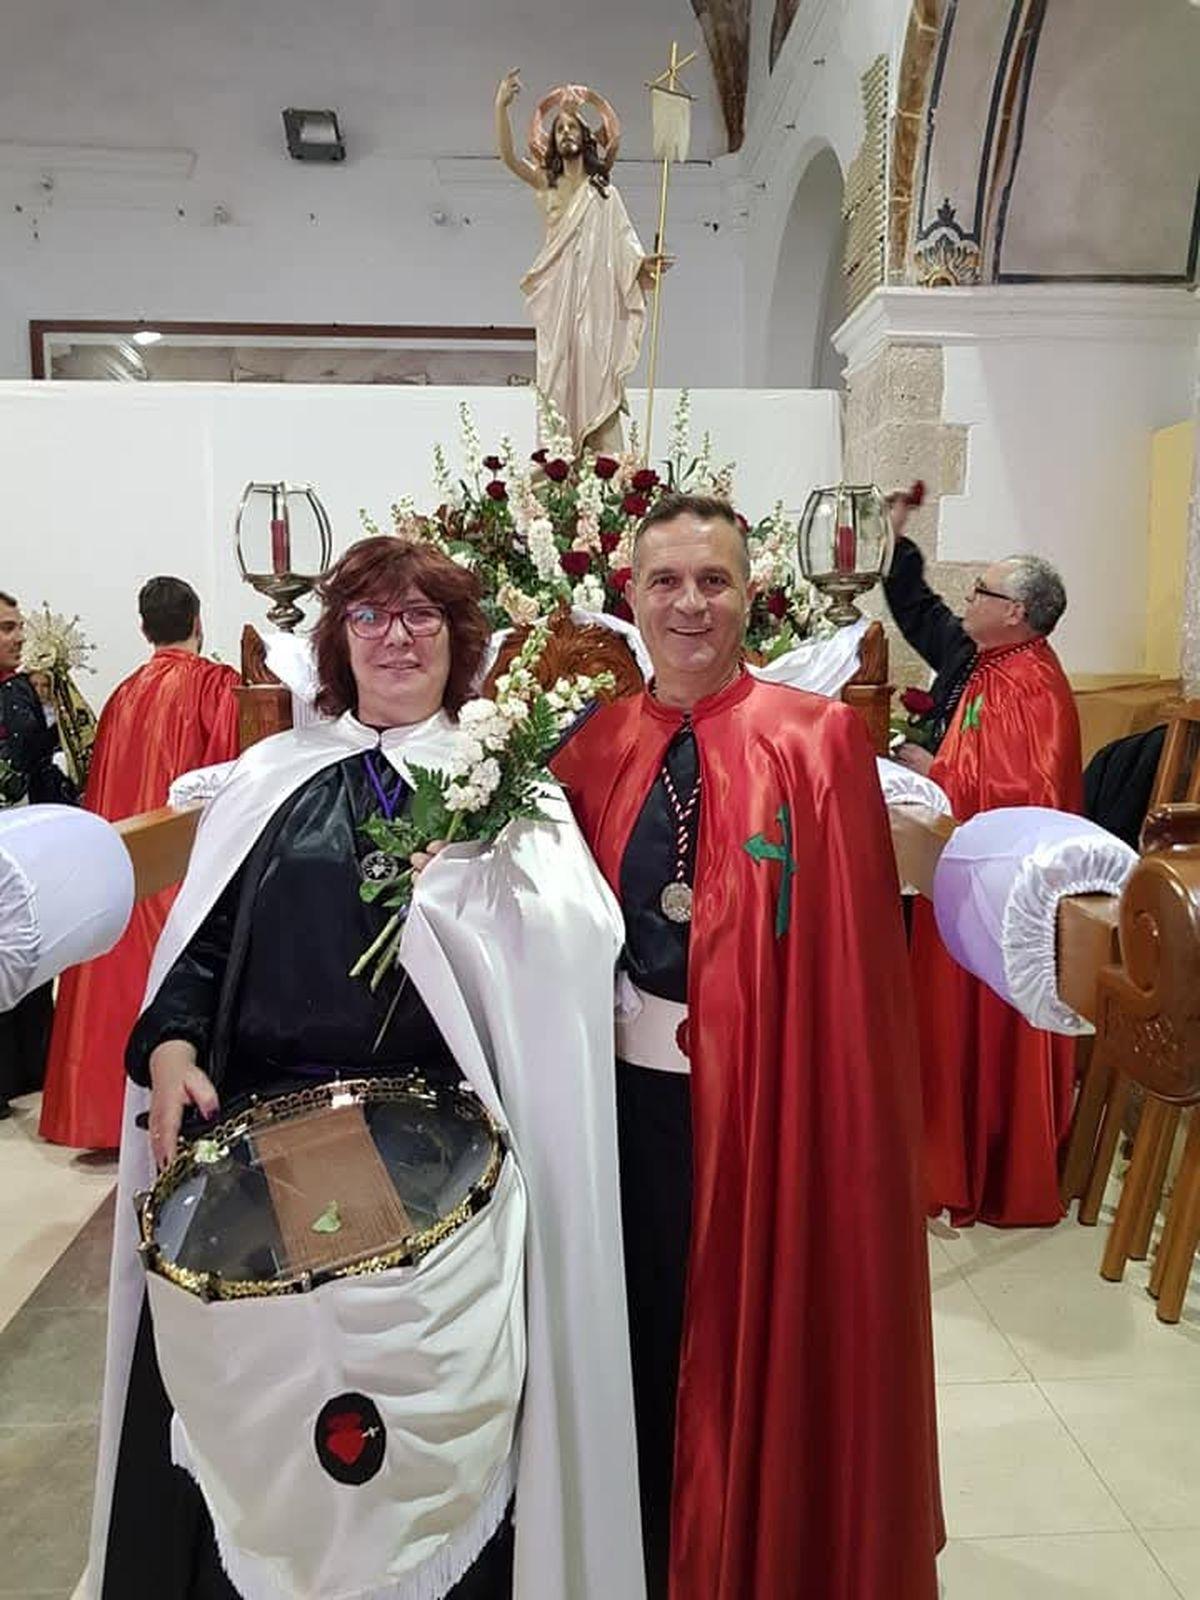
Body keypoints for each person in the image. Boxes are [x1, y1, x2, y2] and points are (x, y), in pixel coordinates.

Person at [90, 538, 641, 1600]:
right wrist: (166, 1046)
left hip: (447, 1152)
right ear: (337, 639)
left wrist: (471, 894)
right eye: (373, 615)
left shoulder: (508, 795)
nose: (398, 636)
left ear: (458, 640)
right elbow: (199, 949)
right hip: (265, 1137)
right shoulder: (270, 779)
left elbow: (574, 950)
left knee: (417, 1442)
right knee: (282, 1426)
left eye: (423, 616)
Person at [549, 495, 944, 1599]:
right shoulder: (593, 744)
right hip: (623, 1112)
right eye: (666, 581)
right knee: (642, 1335)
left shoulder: (815, 742)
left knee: (751, 1351)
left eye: (713, 581)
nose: (689, 604)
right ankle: (652, 1551)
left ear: (749, 594)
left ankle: (758, 1548)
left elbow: (856, 979)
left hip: (769, 1110)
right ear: (630, 596)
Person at [882, 517, 1083, 1226]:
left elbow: (1024, 800)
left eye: (981, 590)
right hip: (967, 873)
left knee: (981, 1030)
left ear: (1016, 612)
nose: (968, 599)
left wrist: (929, 770)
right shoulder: (995, 667)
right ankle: (944, 1146)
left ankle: (983, 1160)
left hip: (1004, 894)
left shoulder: (1028, 685)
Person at [39, 577, 240, 1150]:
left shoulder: (122, 695)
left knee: (112, 978)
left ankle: (96, 1116)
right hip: (178, 866)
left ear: (143, 628)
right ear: (197, 620)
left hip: (122, 867)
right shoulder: (215, 684)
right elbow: (227, 776)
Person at [495, 70, 667, 455]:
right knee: (557, 374)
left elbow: (623, 244)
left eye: (574, 127)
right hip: (559, 299)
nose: (567, 133)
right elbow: (507, 158)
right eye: (559, 129)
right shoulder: (547, 184)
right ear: (551, 141)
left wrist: (641, 265)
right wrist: (501, 108)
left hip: (596, 303)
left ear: (588, 137)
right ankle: (559, 462)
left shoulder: (604, 194)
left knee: (597, 369)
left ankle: (602, 462)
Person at [0, 589, 77, 1119]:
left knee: (34, 942)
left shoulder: (24, 689)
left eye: (19, 626)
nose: (18, 636)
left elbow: (46, 749)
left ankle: (30, 1065)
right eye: (6, 628)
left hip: (28, 832)